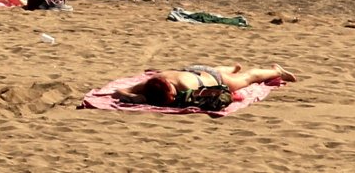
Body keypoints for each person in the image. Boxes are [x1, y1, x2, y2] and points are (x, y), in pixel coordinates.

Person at [121, 65, 296, 110]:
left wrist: (134, 98)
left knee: (249, 78)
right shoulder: (154, 82)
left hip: (214, 78)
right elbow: (118, 92)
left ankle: (275, 70)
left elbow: (212, 96)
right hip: (196, 69)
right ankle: (231, 68)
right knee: (214, 71)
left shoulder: (183, 86)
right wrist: (134, 97)